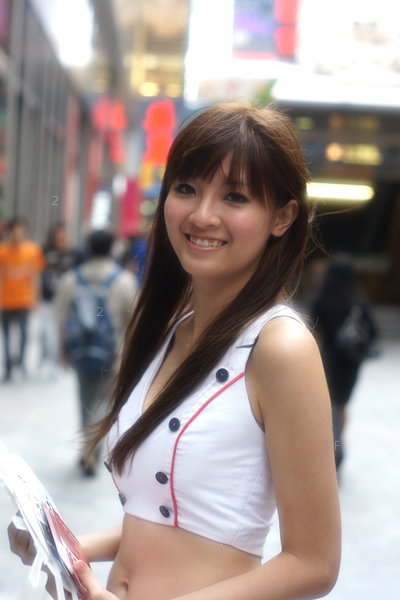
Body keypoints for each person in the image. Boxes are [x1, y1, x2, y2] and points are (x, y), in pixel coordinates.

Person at [8, 103, 341, 599]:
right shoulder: (170, 329)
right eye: (186, 188)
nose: (202, 215)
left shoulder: (280, 347)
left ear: (282, 216)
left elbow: (314, 563)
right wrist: (65, 547)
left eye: (235, 196)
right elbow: (167, 523)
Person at [54, 229, 138, 476]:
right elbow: (134, 319)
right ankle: (92, 449)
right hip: (113, 353)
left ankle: (86, 448)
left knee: (84, 399)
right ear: (112, 248)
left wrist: (62, 350)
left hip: (80, 351)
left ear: (88, 248)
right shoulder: (124, 280)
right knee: (104, 402)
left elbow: (61, 316)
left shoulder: (72, 278)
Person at [310, 253, 378, 470]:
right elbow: (373, 331)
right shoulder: (358, 301)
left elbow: (313, 331)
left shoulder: (321, 300)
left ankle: (333, 447)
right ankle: (338, 445)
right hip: (350, 363)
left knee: (328, 406)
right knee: (341, 406)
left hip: (326, 361)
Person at [0, 216, 44, 381]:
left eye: (20, 231)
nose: (17, 234)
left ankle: (21, 363)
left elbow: (35, 276)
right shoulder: (2, 251)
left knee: (25, 333)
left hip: (24, 299)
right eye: (15, 231)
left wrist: (35, 298)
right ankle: (8, 366)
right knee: (6, 336)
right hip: (6, 300)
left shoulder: (33, 250)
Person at [37, 222, 80, 377]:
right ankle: (47, 359)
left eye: (63, 234)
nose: (61, 237)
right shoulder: (45, 250)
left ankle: (61, 360)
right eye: (58, 234)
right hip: (48, 298)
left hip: (66, 299)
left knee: (64, 332)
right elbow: (38, 272)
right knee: (47, 332)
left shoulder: (72, 253)